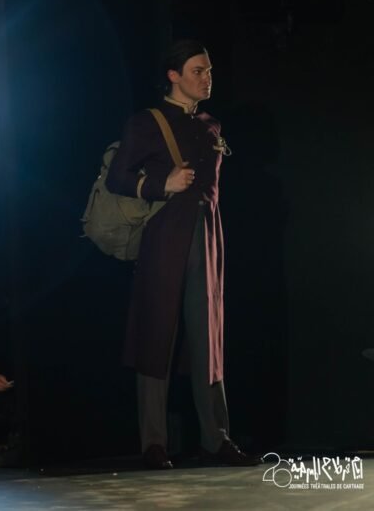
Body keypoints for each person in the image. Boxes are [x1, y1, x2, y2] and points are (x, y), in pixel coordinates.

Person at [105, 40, 259, 470]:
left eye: (209, 71)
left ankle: (217, 438)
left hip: (207, 236)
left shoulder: (211, 125)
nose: (207, 78)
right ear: (173, 76)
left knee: (208, 338)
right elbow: (117, 178)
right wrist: (160, 185)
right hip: (164, 237)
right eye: (197, 71)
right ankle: (154, 442)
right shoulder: (146, 122)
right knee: (156, 334)